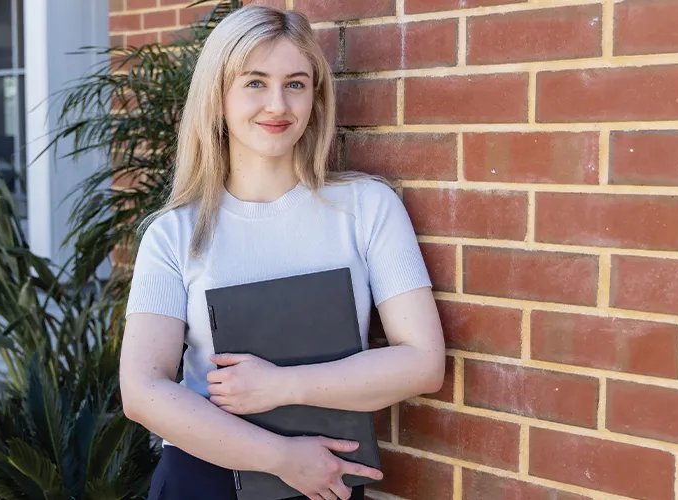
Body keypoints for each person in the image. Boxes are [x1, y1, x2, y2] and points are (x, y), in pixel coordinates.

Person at [119, 5, 446, 500]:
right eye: (254, 82)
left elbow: (423, 362)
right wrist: (281, 459)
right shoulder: (172, 234)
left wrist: (283, 386)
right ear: (218, 96)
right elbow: (143, 392)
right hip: (207, 479)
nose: (277, 105)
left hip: (327, 478)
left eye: (295, 84)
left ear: (315, 97)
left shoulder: (366, 207)